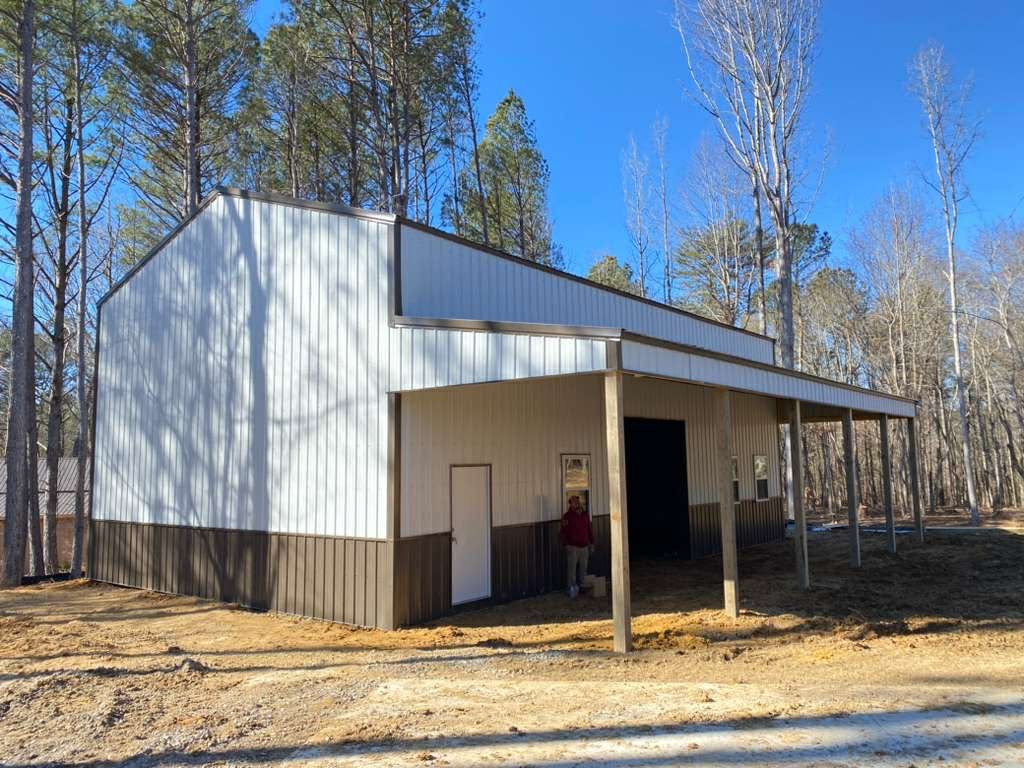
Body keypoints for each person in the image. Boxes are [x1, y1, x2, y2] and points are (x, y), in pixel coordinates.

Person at [560, 495, 594, 598]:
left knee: (583, 568)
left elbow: (589, 529)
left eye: (577, 502)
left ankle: (582, 587)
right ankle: (571, 588)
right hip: (572, 546)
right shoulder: (567, 516)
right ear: (570, 504)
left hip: (584, 546)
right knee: (572, 570)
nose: (576, 503)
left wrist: (592, 542)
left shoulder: (585, 515)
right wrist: (566, 544)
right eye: (574, 502)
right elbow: (563, 532)